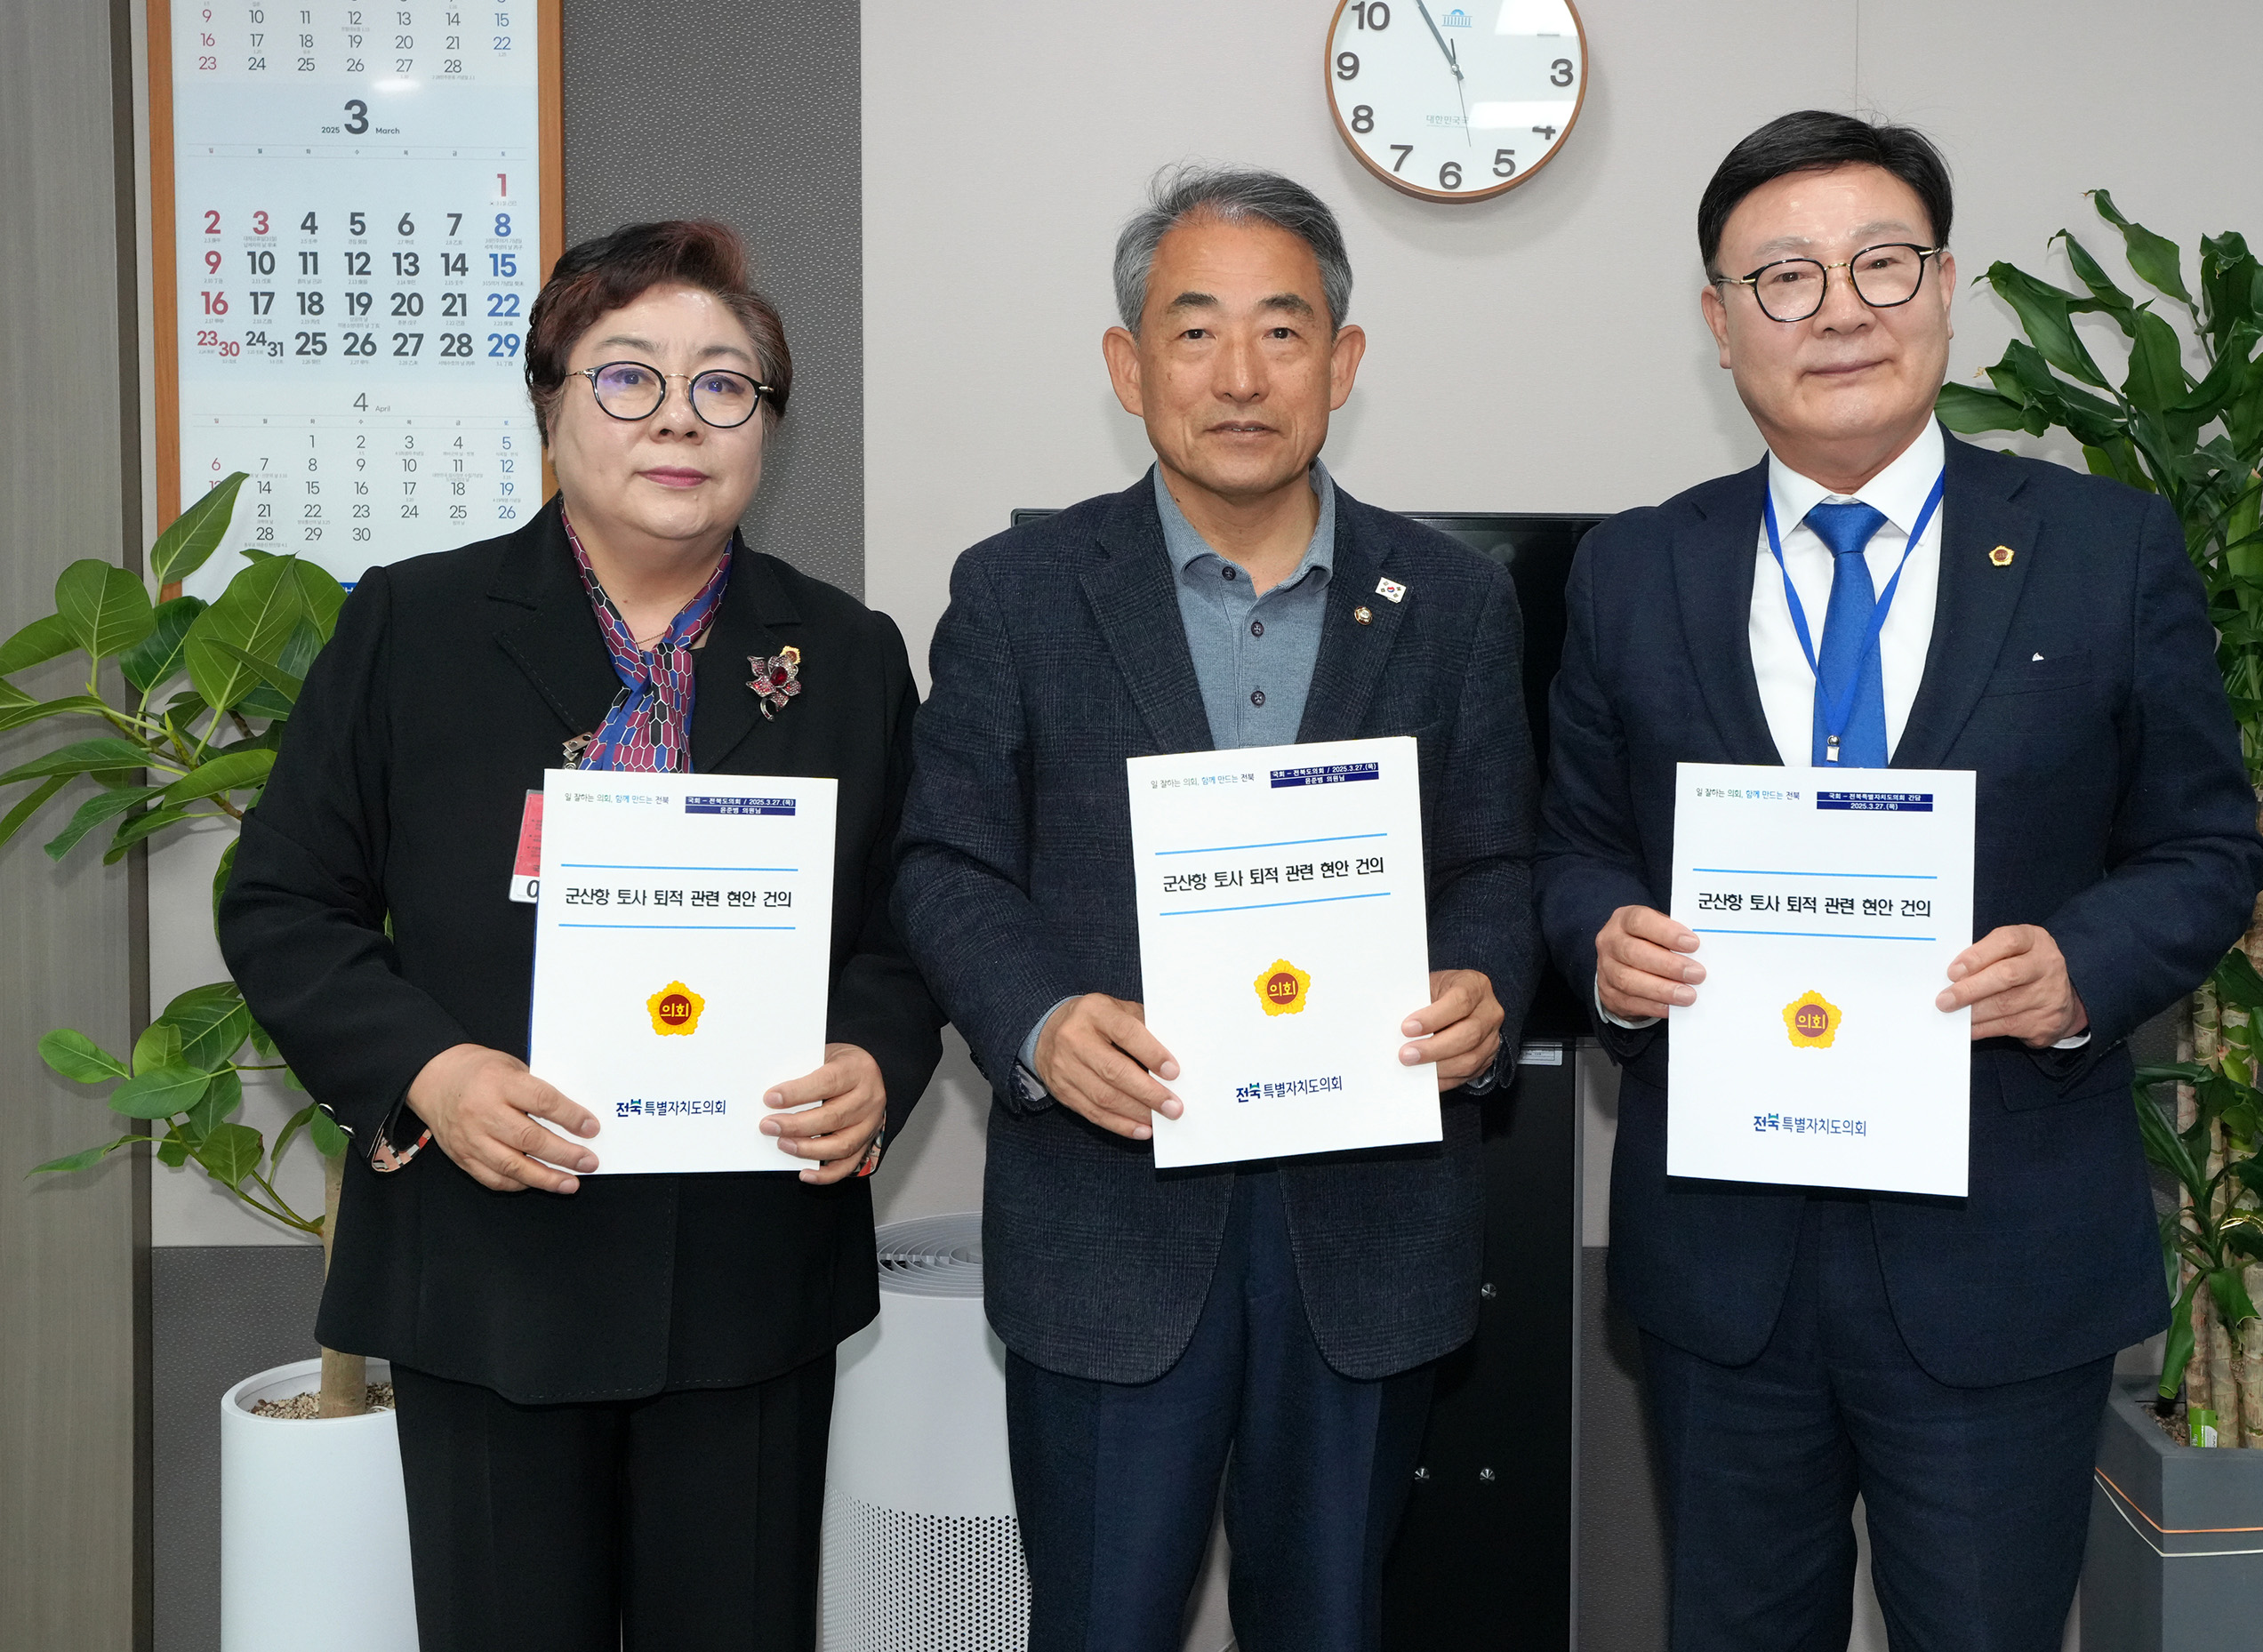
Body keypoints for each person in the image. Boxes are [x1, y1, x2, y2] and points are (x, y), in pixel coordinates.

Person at [1535, 112, 2263, 1649]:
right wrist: (1604, 944)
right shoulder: (1635, 568)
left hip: (2004, 1258)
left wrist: (2083, 969)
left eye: (1883, 262)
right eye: (1786, 278)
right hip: (1727, 1270)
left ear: (1947, 287)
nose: (1844, 308)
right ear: (1720, 321)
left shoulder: (2103, 549)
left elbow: (2209, 846)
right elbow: (1576, 842)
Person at [218, 221, 943, 1652]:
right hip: (490, 1266)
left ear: (766, 429)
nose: (678, 416)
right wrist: (428, 1070)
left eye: (724, 384)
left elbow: (911, 920)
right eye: (627, 377)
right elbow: (281, 901)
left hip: (747, 1274)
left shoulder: (847, 651)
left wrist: (872, 1051)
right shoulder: (413, 625)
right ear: (550, 403)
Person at [894, 165, 1542, 1651]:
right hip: (1109, 1228)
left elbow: (1500, 863)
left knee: (1332, 1622)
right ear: (1129, 368)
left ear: (1345, 362)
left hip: (1367, 1239)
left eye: (1284, 330)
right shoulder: (1019, 592)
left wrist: (1486, 987)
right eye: (1195, 333)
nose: (1241, 376)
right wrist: (1041, 1023)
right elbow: (945, 861)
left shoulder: (1450, 598)